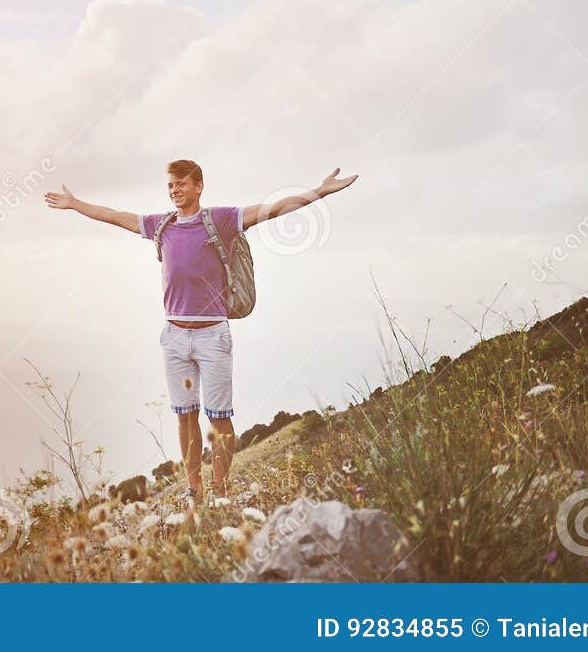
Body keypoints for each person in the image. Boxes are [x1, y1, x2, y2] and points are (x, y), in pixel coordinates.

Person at [45, 159, 358, 507]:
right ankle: (194, 490)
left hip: (212, 336)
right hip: (175, 337)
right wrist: (76, 205)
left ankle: (221, 491)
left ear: (198, 186)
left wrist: (318, 192)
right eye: (170, 186)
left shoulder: (220, 220)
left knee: (219, 418)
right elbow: (116, 216)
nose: (174, 190)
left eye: (181, 184)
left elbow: (269, 210)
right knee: (185, 417)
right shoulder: (160, 226)